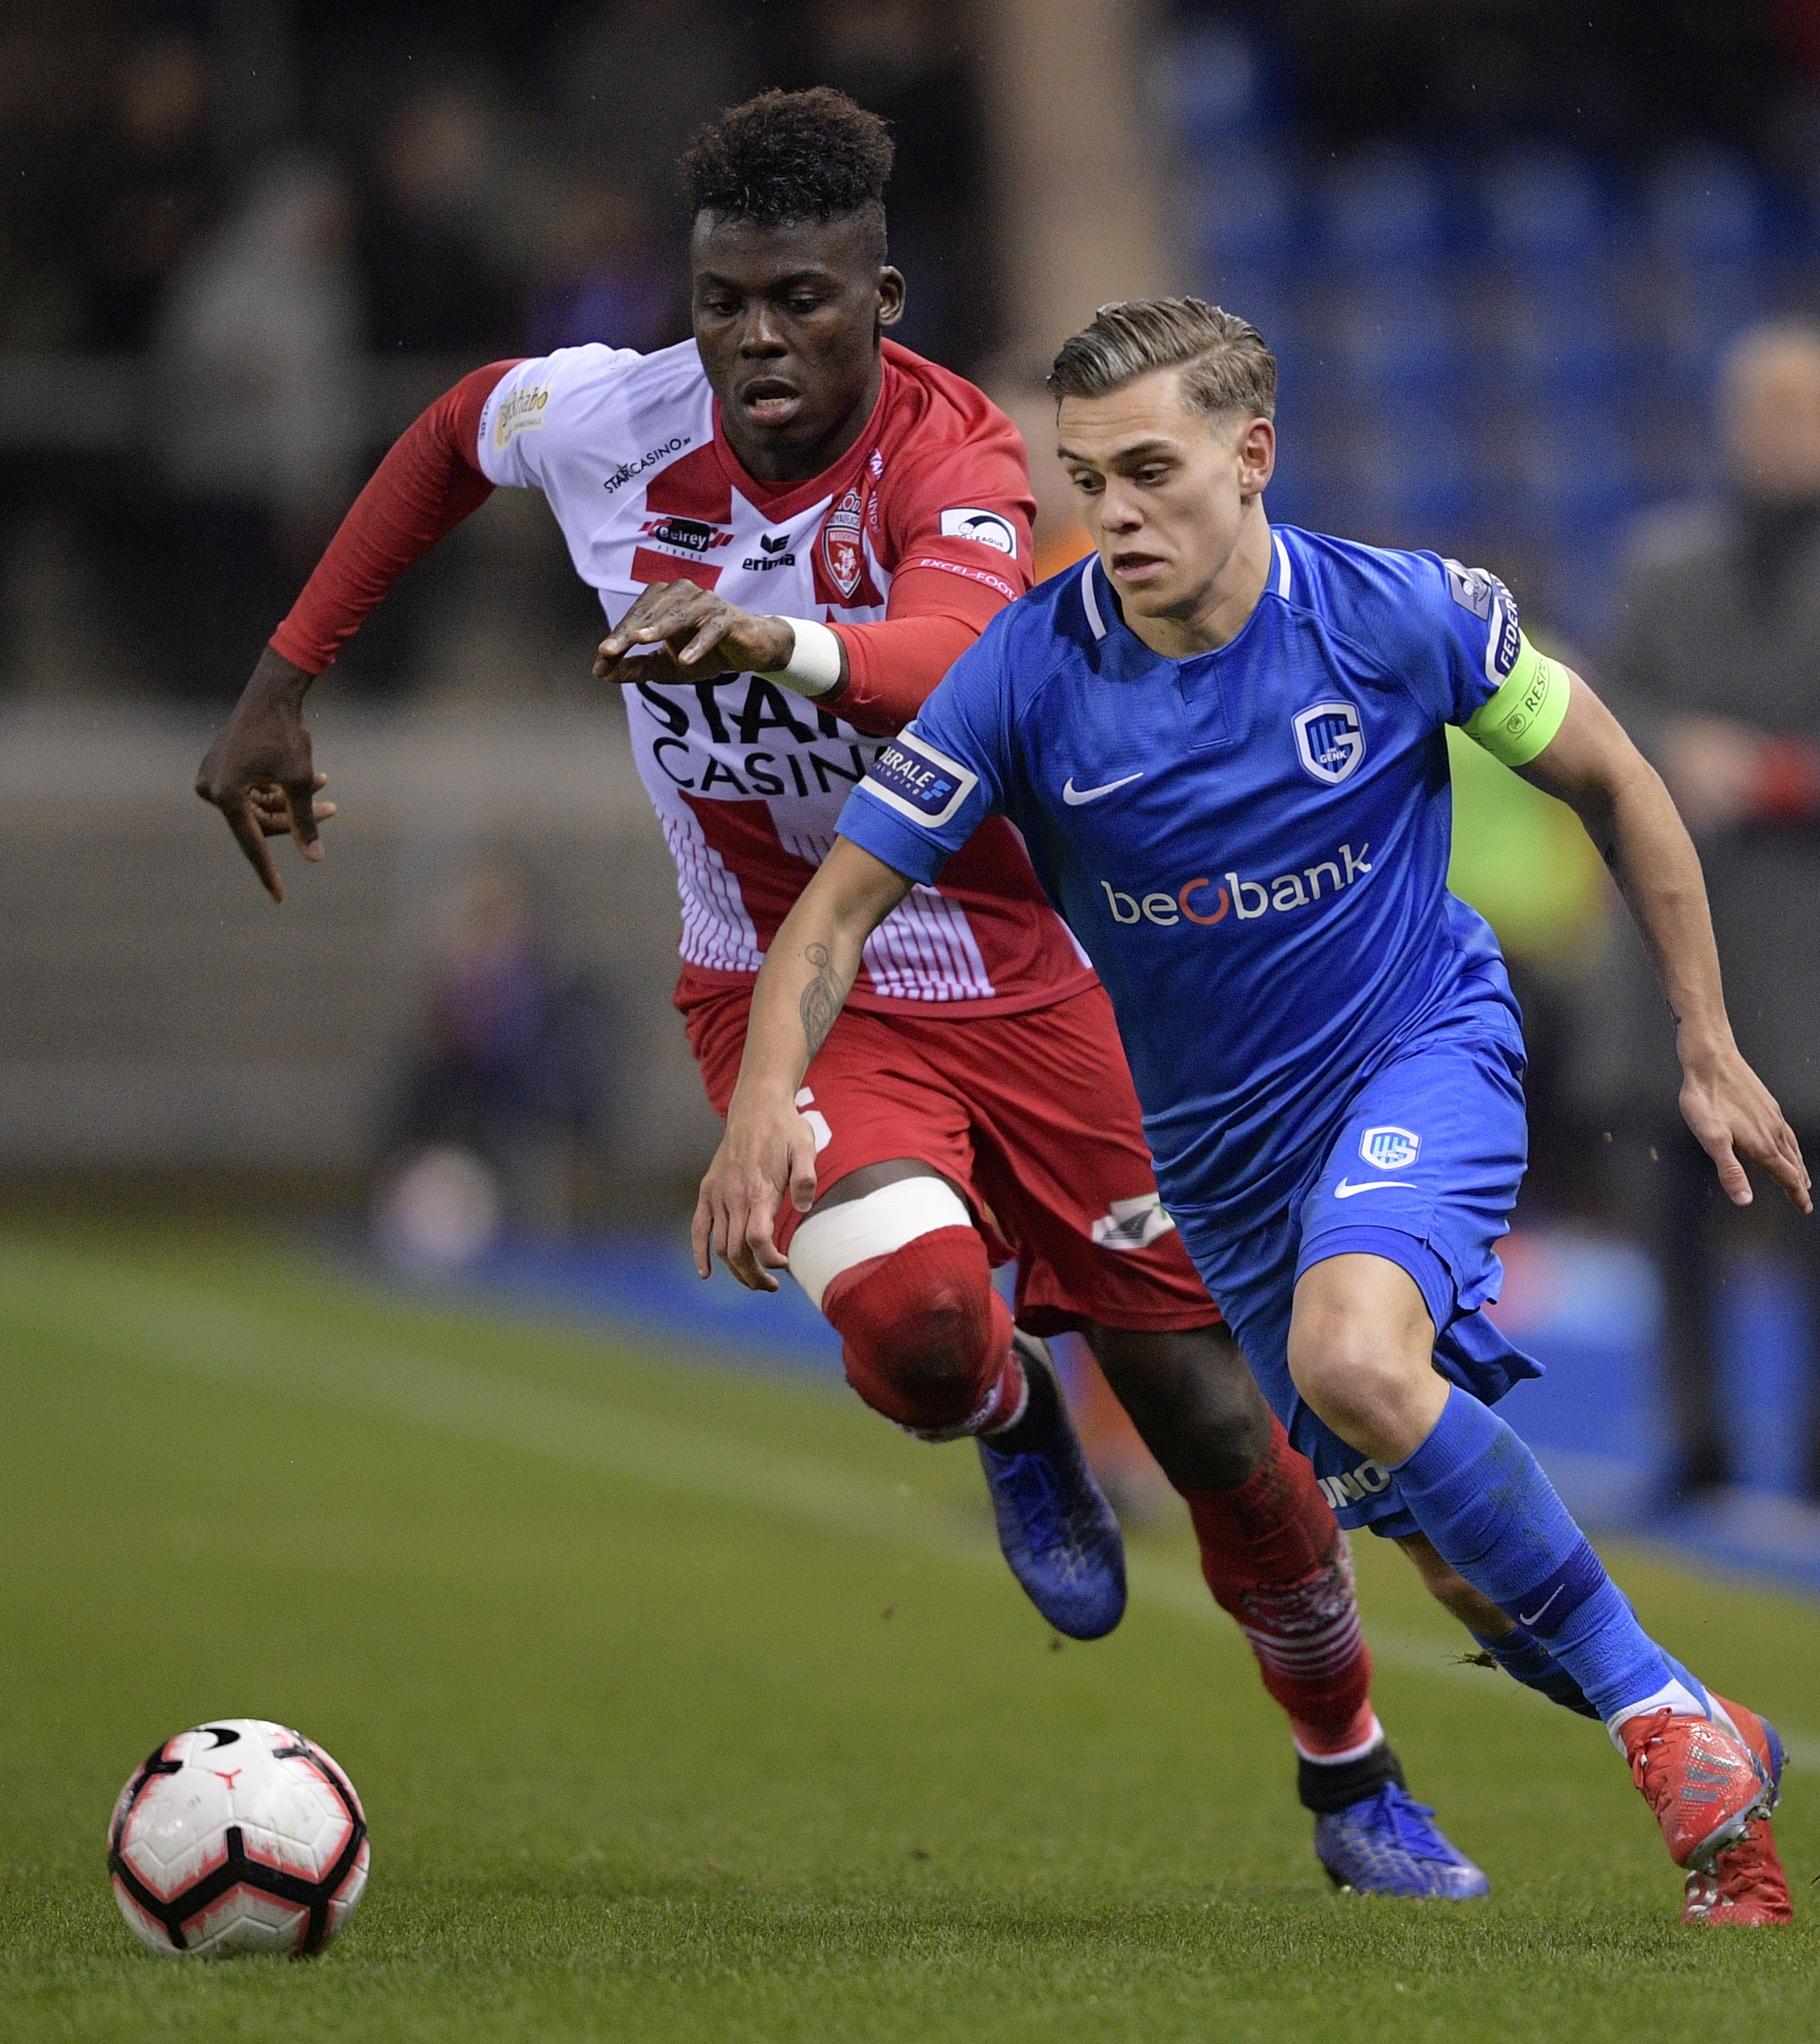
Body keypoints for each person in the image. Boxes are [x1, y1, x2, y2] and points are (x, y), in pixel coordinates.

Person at [189, 88, 1480, 1900]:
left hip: (1025, 972)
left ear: (878, 293)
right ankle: (1010, 1421)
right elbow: (445, 435)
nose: (754, 341)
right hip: (783, 985)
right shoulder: (609, 426)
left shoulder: (956, 455)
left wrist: (770, 638)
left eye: (797, 299)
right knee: (920, 1319)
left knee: (1207, 1424)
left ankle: (1351, 1783)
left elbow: (953, 660)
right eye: (721, 301)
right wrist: (283, 680)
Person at [699, 297, 1812, 1926]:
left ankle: (1661, 1727)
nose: (1114, 516)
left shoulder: (1398, 617)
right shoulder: (1030, 671)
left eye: (1152, 472)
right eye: (1086, 480)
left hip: (1420, 1055)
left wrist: (1707, 1043)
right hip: (1223, 1178)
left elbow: (1619, 780)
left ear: (1253, 455)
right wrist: (760, 1108)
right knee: (1450, 1556)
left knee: (1356, 1360)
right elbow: (840, 905)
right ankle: (1727, 1741)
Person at [1594, 320, 1820, 1508]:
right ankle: (1697, 1438)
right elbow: (1601, 702)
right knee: (1671, 1212)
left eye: (1805, 409)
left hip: (1817, 940)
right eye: (1761, 407)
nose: (1779, 432)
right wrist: (1678, 751)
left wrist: (1784, 774)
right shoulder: (1662, 563)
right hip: (1671, 940)